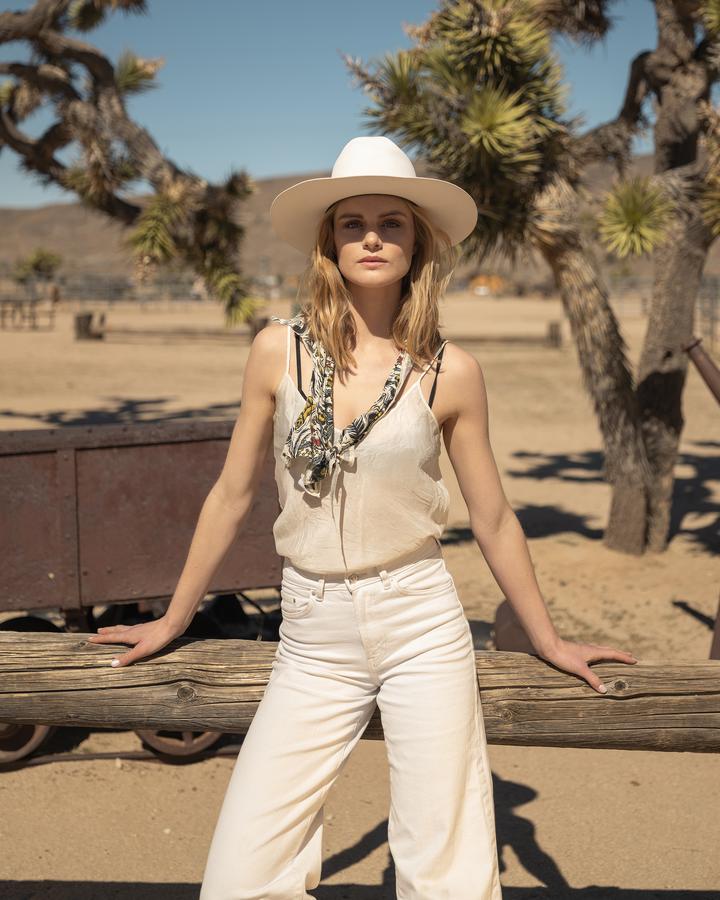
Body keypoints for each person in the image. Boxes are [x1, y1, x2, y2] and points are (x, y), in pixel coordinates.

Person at [87, 135, 638, 899]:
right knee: (243, 874)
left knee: (445, 873)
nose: (372, 237)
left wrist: (546, 637)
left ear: (417, 245)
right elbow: (231, 495)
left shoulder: (451, 372)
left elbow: (495, 517)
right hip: (311, 631)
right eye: (354, 223)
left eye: (393, 223)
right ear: (330, 241)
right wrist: (173, 619)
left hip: (421, 622)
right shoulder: (276, 351)